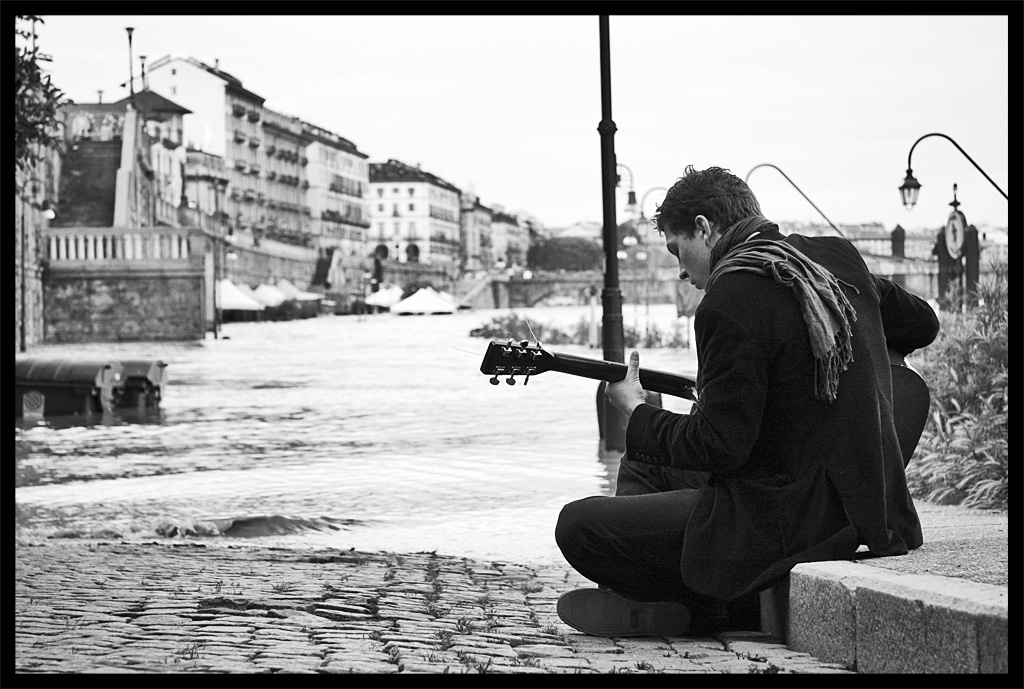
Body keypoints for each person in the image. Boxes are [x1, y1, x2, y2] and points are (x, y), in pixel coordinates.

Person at [554, 166, 940, 637]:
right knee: (643, 461)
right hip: (872, 504)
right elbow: (922, 324)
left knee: (578, 525)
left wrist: (636, 411)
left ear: (704, 227)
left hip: (792, 516)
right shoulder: (834, 257)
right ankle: (669, 593)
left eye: (679, 249)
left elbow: (719, 447)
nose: (680, 269)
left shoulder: (729, 296)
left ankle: (709, 606)